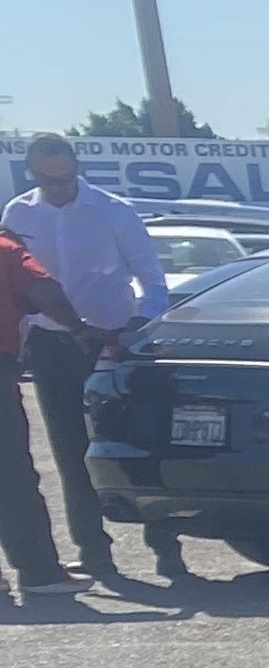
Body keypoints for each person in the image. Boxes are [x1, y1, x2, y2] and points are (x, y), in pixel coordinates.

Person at [4, 134, 174, 584]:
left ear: (77, 167)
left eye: (65, 178)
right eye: (48, 180)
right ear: (32, 174)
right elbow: (18, 287)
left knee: (133, 442)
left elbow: (152, 281)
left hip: (112, 341)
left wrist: (135, 326)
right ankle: (93, 551)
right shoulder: (18, 213)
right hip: (51, 345)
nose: (59, 188)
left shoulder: (113, 211)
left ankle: (166, 546)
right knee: (69, 451)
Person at [0, 225, 78, 598]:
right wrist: (80, 328)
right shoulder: (6, 250)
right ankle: (39, 572)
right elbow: (46, 294)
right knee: (10, 475)